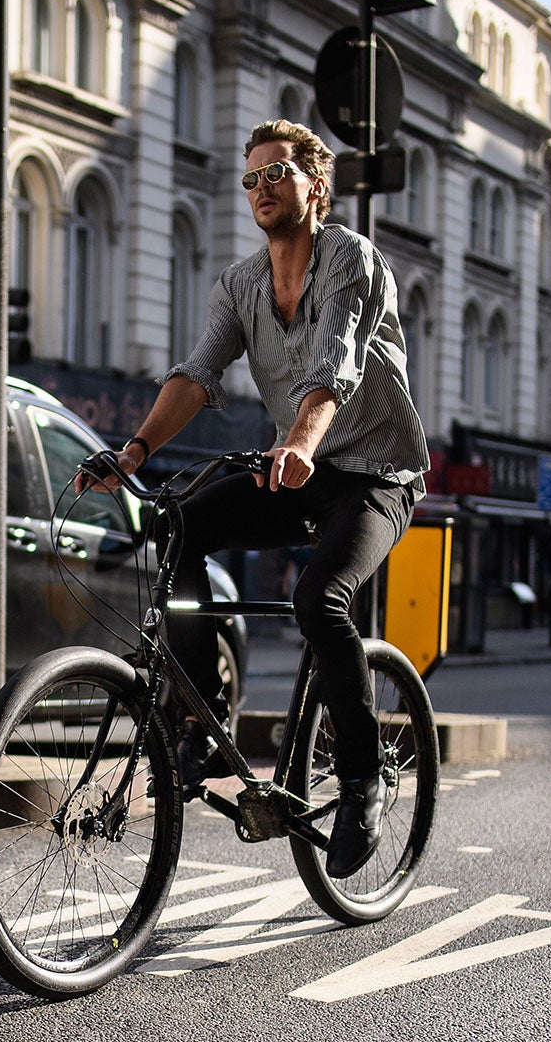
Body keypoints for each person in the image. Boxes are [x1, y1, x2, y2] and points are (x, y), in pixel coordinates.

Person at [81, 119, 428, 878]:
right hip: (295, 470)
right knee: (178, 526)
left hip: (373, 477)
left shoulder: (352, 259)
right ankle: (203, 716)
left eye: (277, 173)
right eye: (251, 180)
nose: (262, 188)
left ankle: (365, 779)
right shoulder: (241, 285)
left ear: (314, 184)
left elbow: (332, 366)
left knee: (319, 601)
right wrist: (134, 450)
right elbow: (199, 372)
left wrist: (300, 441)